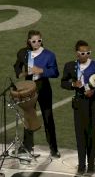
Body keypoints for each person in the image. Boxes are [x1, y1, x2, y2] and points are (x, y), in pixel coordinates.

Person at [61, 40, 95, 174]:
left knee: (92, 134)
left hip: (93, 103)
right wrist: (73, 85)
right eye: (83, 53)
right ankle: (81, 165)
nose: (86, 55)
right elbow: (63, 82)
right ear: (77, 54)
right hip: (78, 103)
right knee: (80, 134)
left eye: (88, 53)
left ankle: (91, 165)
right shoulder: (70, 66)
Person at [13, 30, 60, 158]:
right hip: (28, 87)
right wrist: (20, 73)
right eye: (34, 41)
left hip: (43, 86)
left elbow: (55, 72)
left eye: (39, 40)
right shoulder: (23, 53)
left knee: (47, 116)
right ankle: (27, 146)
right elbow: (17, 65)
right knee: (28, 115)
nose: (37, 43)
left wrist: (41, 70)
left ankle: (54, 148)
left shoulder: (49, 55)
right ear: (29, 41)